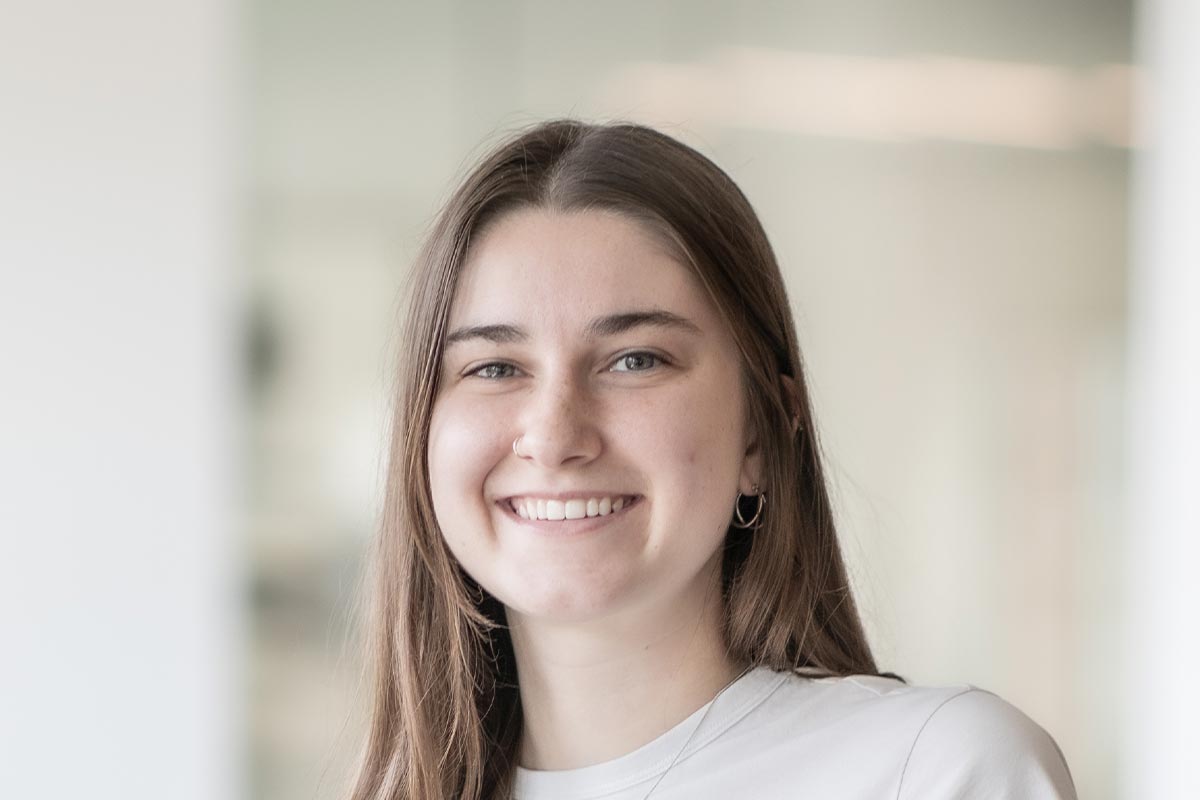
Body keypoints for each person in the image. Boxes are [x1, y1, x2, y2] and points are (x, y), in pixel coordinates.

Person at [345, 119, 1077, 799]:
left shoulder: (937, 772)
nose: (555, 435)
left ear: (760, 433)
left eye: (635, 360)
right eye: (495, 368)